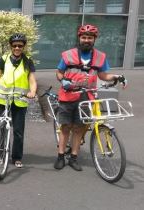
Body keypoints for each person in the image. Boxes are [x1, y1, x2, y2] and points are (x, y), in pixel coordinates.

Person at [53, 24, 127, 171]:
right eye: (84, 37)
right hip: (68, 96)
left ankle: (74, 158)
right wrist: (63, 80)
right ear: (79, 38)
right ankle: (61, 156)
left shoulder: (100, 57)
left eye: (90, 38)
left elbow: (103, 75)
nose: (87, 40)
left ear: (94, 39)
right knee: (66, 127)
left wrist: (118, 77)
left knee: (79, 129)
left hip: (87, 96)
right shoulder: (68, 55)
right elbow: (59, 72)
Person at [0, 33, 37, 168]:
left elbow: (32, 80)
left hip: (19, 100)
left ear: (24, 46)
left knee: (18, 131)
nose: (17, 48)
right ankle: (0, 154)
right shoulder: (4, 59)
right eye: (14, 45)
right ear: (10, 46)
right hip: (2, 99)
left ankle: (17, 157)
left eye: (20, 46)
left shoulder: (28, 61)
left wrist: (32, 92)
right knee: (2, 129)